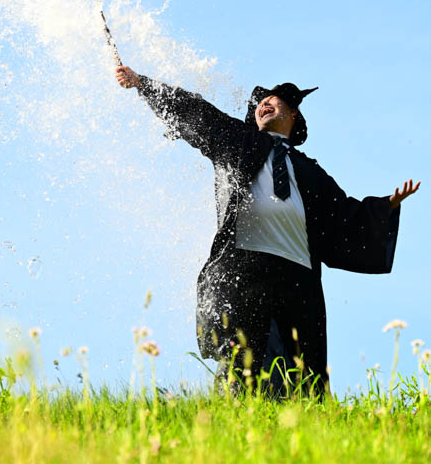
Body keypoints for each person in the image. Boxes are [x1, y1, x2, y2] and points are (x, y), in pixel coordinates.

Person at [115, 65, 420, 395]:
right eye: (261, 102)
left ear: (293, 116)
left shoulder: (309, 171)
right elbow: (197, 113)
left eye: (274, 101)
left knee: (301, 364)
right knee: (241, 355)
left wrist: (385, 205)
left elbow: (343, 214)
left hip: (297, 274)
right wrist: (142, 84)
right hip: (245, 264)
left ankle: (302, 427)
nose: (265, 103)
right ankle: (234, 416)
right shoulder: (239, 143)